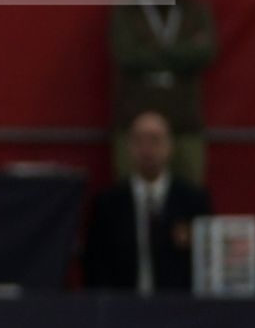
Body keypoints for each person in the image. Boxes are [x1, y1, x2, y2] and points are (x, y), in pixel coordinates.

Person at [109, 0, 216, 185]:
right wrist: (179, 54)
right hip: (133, 121)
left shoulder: (196, 11)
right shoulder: (126, 10)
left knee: (189, 195)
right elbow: (126, 55)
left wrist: (153, 50)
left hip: (184, 123)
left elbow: (205, 53)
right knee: (131, 198)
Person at [83, 110, 213, 294]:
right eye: (139, 141)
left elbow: (206, 263)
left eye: (154, 140)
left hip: (180, 309)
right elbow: (95, 265)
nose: (147, 149)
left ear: (169, 146)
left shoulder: (193, 200)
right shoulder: (108, 203)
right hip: (122, 309)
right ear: (129, 147)